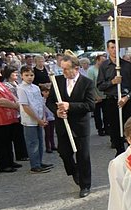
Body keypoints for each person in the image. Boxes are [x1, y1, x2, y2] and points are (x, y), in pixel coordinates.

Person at [46, 55, 95, 198]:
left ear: (76, 68)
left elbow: (90, 105)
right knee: (64, 152)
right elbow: (49, 101)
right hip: (62, 125)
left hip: (80, 126)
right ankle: (74, 171)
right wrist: (56, 111)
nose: (64, 72)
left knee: (83, 156)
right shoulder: (58, 81)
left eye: (66, 69)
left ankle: (85, 185)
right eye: (62, 69)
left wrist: (69, 106)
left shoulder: (87, 83)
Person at [97, 39, 131, 156]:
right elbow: (100, 85)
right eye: (112, 48)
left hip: (126, 101)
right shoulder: (104, 67)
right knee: (114, 128)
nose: (114, 50)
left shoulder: (128, 66)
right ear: (108, 49)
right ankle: (119, 152)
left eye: (116, 47)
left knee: (129, 127)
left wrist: (127, 97)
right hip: (111, 101)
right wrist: (112, 82)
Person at [17, 66, 54, 174]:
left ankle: (39, 161)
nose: (29, 77)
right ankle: (35, 165)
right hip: (30, 120)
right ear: (22, 76)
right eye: (26, 75)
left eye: (31, 75)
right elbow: (25, 106)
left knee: (40, 141)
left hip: (39, 117)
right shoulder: (21, 88)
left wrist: (43, 117)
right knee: (32, 142)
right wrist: (38, 119)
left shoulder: (36, 87)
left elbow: (40, 103)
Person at [0, 67, 22, 173]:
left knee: (8, 141)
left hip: (9, 118)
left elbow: (10, 95)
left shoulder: (0, 84)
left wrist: (17, 103)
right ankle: (3, 164)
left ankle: (10, 161)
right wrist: (16, 106)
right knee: (0, 143)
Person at [2, 66, 29, 161]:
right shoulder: (6, 85)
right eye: (14, 73)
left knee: (20, 134)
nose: (16, 75)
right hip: (14, 110)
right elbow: (11, 97)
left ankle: (22, 153)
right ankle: (20, 154)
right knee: (16, 135)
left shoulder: (17, 83)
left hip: (20, 110)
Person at [87, 54, 108, 136]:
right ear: (97, 60)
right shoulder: (91, 70)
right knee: (97, 114)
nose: (103, 62)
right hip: (96, 95)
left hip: (105, 95)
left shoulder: (105, 69)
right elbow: (90, 85)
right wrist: (95, 96)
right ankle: (99, 129)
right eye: (102, 61)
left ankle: (107, 128)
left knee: (106, 113)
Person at [40, 83, 57, 153]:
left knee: (52, 132)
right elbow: (42, 110)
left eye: (48, 92)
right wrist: (43, 118)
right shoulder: (41, 100)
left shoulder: (52, 100)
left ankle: (53, 145)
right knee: (47, 133)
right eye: (45, 92)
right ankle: (48, 147)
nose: (47, 93)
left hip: (52, 118)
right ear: (42, 92)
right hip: (46, 118)